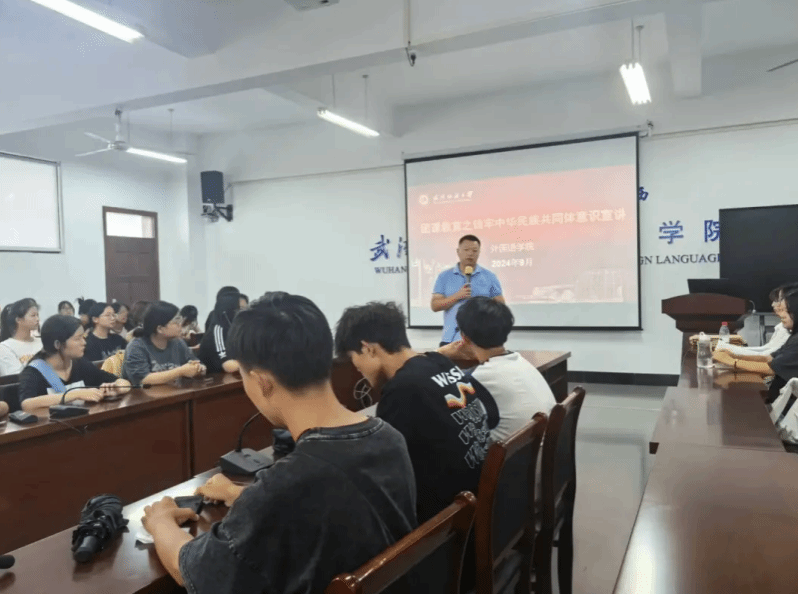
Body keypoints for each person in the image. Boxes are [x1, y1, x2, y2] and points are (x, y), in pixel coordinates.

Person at [142, 292, 418, 594]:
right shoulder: (389, 438)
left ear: (262, 381)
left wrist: (160, 521)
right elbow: (328, 503)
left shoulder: (286, 486)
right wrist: (242, 495)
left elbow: (195, 571)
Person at [335, 301, 497, 523]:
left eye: (356, 362)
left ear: (368, 349)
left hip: (443, 525)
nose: (359, 371)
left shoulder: (402, 389)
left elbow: (384, 476)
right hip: (476, 504)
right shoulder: (441, 362)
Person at [440, 296, 556, 443]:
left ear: (464, 338)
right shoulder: (522, 363)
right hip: (539, 450)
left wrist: (439, 354)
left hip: (511, 456)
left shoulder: (478, 379)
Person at [17, 315, 131, 412]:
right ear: (57, 344)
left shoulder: (80, 364)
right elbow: (27, 404)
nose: (84, 342)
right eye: (78, 338)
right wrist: (75, 394)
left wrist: (116, 388)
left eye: (83, 337)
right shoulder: (34, 371)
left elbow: (123, 382)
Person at [714, 289, 798, 403]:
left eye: (786, 310)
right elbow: (769, 357)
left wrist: (732, 361)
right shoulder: (794, 336)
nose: (780, 314)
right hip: (775, 398)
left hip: (783, 406)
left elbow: (771, 369)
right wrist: (733, 355)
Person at [431, 235, 504, 346]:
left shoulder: (490, 277)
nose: (470, 254)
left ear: (479, 253)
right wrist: (457, 296)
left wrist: (483, 306)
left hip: (482, 339)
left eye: (474, 250)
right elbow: (435, 305)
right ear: (458, 252)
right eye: (466, 250)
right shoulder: (444, 276)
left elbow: (501, 307)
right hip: (451, 339)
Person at [122, 301, 206, 386]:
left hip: (175, 392)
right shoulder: (136, 347)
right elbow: (143, 380)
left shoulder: (178, 343)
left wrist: (199, 368)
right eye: (176, 321)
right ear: (160, 329)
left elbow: (194, 361)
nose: (180, 325)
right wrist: (180, 371)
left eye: (180, 320)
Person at [716, 283, 798, 357]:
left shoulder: (789, 328)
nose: (773, 304)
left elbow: (768, 357)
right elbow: (768, 353)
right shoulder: (782, 326)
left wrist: (729, 352)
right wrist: (728, 349)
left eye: (778, 300)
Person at [198, 289, 240, 374]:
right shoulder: (218, 329)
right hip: (213, 376)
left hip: (229, 374)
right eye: (239, 309)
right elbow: (228, 365)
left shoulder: (235, 326)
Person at [0, 298, 43, 376]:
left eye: (37, 315)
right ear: (18, 320)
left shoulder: (42, 342)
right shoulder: (5, 347)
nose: (37, 319)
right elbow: (14, 377)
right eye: (33, 315)